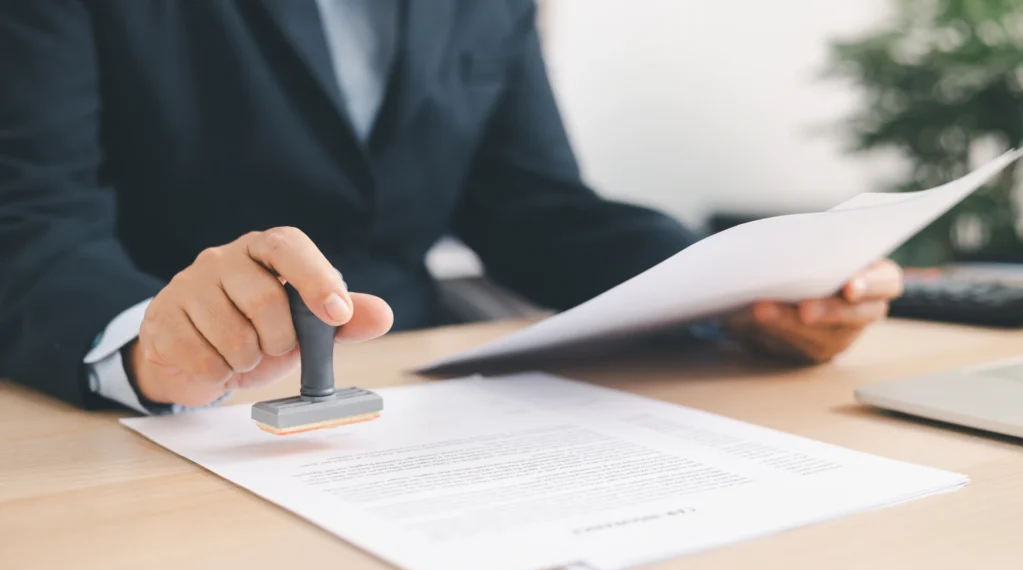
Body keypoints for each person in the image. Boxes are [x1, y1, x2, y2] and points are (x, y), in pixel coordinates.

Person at [0, 0, 902, 414]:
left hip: (421, 402)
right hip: (153, 413)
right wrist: (145, 340)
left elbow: (530, 205)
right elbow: (27, 214)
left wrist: (737, 285)